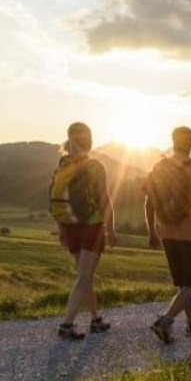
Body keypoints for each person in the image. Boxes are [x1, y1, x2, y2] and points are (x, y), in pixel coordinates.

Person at [143, 126, 191, 344]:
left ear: (173, 141)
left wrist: (151, 232)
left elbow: (148, 202)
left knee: (183, 283)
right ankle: (165, 321)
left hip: (166, 233)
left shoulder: (159, 168)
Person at [52, 122, 115, 340]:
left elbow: (59, 199)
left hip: (70, 226)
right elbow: (104, 199)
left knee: (85, 276)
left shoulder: (62, 164)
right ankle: (67, 325)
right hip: (91, 226)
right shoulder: (95, 166)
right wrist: (111, 229)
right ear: (89, 141)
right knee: (83, 277)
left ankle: (95, 320)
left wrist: (61, 228)